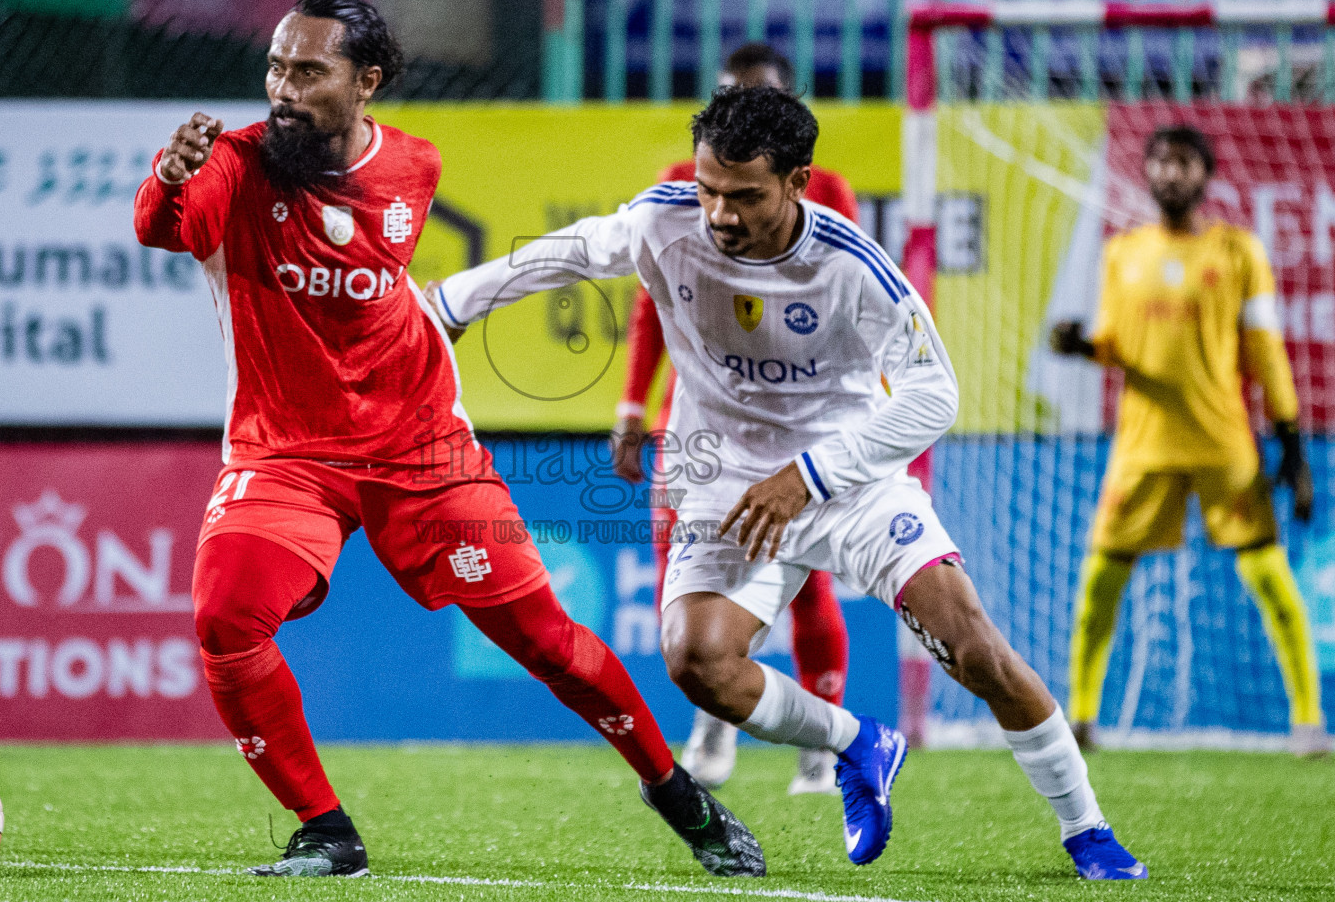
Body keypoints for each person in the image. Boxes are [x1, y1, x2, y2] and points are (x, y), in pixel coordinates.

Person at [432, 85, 1147, 879]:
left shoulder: (851, 265)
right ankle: (858, 743)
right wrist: (448, 306)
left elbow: (935, 394)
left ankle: (1087, 830)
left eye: (745, 195)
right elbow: (565, 251)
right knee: (698, 663)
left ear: (799, 181)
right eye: (709, 189)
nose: (720, 214)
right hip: (724, 481)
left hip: (849, 478)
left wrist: (808, 476)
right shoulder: (665, 219)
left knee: (976, 651)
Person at [133, 0, 764, 879]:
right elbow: (163, 227)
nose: (282, 87)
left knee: (548, 642)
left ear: (367, 84)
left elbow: (371, 284)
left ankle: (679, 794)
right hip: (288, 453)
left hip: (421, 445)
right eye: (276, 66)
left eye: (309, 71)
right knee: (224, 616)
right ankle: (325, 830)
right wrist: (169, 177)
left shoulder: (413, 169)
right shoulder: (234, 165)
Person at [612, 43, 853, 795]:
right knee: (679, 574)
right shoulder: (681, 187)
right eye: (727, 99)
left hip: (785, 422)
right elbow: (652, 302)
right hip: (693, 423)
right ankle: (714, 715)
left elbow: (855, 312)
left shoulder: (829, 195)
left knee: (803, 581)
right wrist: (629, 402)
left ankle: (821, 741)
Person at [1050, 124, 1328, 758]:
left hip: (1222, 442)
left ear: (1206, 176)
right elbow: (1118, 346)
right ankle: (1085, 719)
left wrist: (1291, 445)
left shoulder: (1238, 251)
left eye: (1183, 163)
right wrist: (1082, 345)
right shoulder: (1124, 252)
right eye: (1160, 162)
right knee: (1101, 578)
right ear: (1147, 174)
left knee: (1268, 574)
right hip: (1143, 444)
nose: (1170, 173)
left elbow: (1265, 348)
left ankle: (1309, 723)